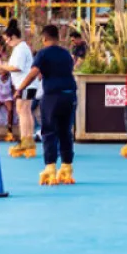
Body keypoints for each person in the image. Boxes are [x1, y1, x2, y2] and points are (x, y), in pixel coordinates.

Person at [14, 24, 77, 185]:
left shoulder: (43, 53)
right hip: (69, 94)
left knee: (49, 131)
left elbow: (33, 73)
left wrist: (20, 89)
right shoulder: (66, 54)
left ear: (44, 38)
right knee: (65, 131)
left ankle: (50, 167)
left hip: (52, 96)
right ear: (58, 38)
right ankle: (67, 166)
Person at [0, 19, 35, 159]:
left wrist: (1, 66)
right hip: (28, 84)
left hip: (25, 84)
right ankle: (28, 140)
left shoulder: (20, 49)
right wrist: (2, 64)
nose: (6, 42)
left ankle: (25, 140)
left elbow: (17, 67)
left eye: (7, 39)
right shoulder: (21, 48)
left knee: (22, 110)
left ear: (12, 37)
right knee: (26, 111)